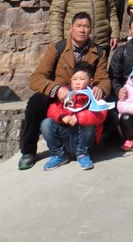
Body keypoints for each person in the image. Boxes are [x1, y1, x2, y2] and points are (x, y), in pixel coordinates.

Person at [18, 12, 111, 170]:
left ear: (90, 30)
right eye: (78, 26)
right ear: (70, 28)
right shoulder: (57, 48)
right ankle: (28, 151)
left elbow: (103, 78)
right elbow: (36, 78)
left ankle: (93, 146)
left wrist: (100, 88)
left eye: (86, 26)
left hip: (84, 96)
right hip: (59, 96)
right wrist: (56, 89)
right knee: (36, 102)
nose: (82, 30)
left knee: (109, 106)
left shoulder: (99, 52)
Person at [40, 62, 108, 171]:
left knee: (89, 123)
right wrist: (62, 117)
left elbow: (100, 114)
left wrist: (78, 118)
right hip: (67, 138)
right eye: (74, 79)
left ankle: (83, 154)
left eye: (82, 79)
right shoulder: (66, 94)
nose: (77, 82)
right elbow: (52, 110)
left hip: (85, 142)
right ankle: (59, 154)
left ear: (90, 81)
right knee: (46, 123)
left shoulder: (95, 95)